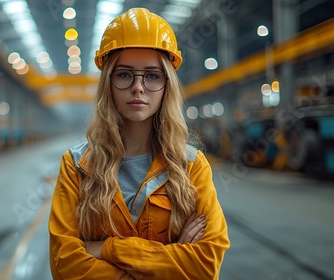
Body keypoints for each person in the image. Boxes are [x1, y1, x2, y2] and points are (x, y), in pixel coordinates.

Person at [48, 7, 230, 279]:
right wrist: (170, 258)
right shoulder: (77, 166)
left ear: (167, 85)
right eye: (124, 74)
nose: (138, 87)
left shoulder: (192, 166)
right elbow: (64, 265)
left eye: (152, 76)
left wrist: (105, 249)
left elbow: (205, 264)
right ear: (107, 83)